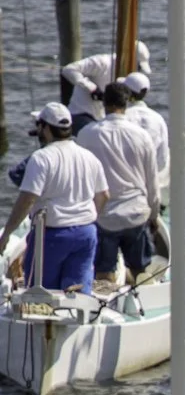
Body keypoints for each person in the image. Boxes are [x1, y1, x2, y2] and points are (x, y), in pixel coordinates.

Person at [0, 102, 107, 293]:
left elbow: (27, 200)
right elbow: (104, 195)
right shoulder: (89, 157)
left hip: (51, 236)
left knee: (41, 295)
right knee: (78, 294)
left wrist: (7, 233)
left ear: (46, 128)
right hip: (86, 233)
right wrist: (87, 219)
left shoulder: (41, 158)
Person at [78, 82, 161, 284]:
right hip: (136, 212)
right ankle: (141, 302)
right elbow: (152, 183)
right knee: (140, 270)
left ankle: (104, 303)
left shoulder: (87, 134)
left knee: (103, 273)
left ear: (104, 103)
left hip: (104, 215)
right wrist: (154, 215)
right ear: (127, 103)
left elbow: (80, 178)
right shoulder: (142, 136)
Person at [62, 43, 151, 134]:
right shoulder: (102, 63)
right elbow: (69, 69)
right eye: (138, 66)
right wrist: (91, 88)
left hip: (103, 120)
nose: (137, 70)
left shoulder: (129, 77)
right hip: (82, 114)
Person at [119, 70, 170, 191]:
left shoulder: (123, 117)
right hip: (150, 179)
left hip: (125, 179)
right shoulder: (158, 118)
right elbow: (161, 160)